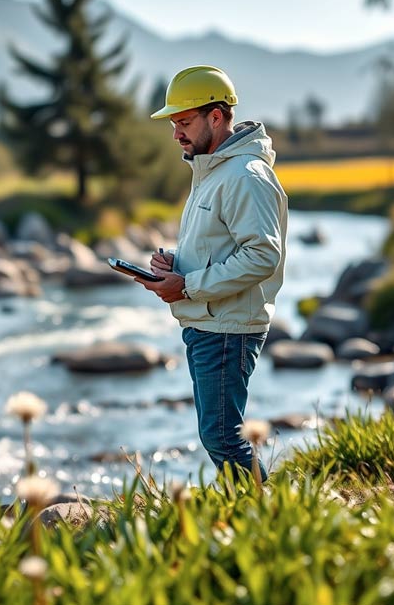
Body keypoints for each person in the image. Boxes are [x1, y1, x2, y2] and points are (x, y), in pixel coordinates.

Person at [135, 65, 288, 481]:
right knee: (217, 434)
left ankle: (266, 520)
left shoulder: (245, 176)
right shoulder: (213, 171)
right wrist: (174, 264)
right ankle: (258, 516)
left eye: (184, 122)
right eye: (174, 124)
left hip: (228, 328)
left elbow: (262, 255)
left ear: (216, 117)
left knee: (222, 437)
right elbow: (219, 245)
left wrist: (186, 285)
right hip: (209, 322)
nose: (176, 133)